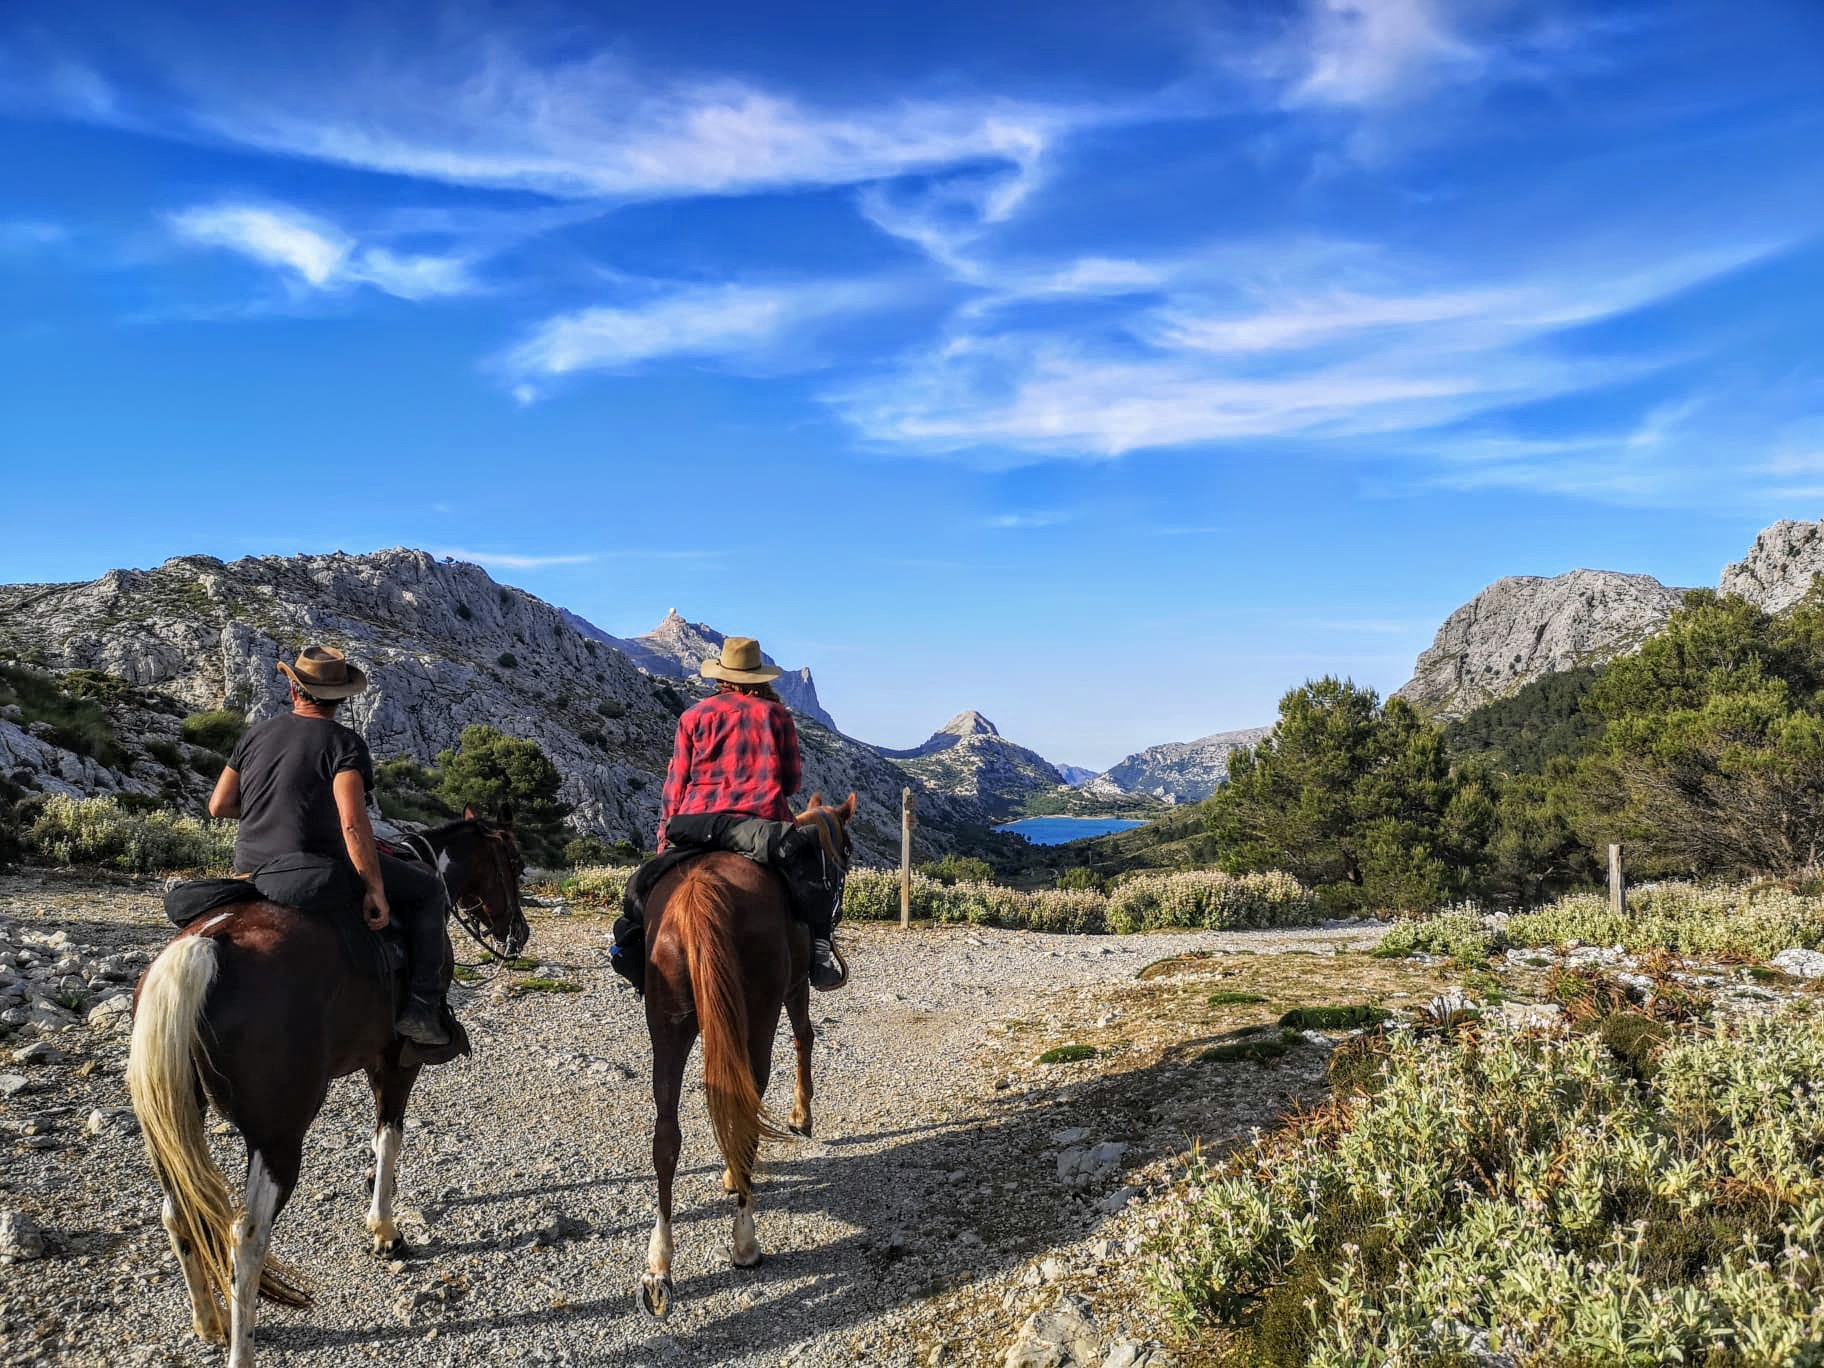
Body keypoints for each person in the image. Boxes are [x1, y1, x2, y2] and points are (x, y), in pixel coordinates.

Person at [207, 645, 453, 1047]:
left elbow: (219, 806)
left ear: (293, 691)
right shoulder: (344, 744)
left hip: (250, 868)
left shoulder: (255, 734)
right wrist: (374, 889)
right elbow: (353, 824)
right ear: (341, 699)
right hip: (311, 866)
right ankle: (422, 1008)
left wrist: (273, 812)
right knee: (428, 889)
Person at [610, 636, 845, 994]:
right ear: (759, 677)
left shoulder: (692, 716)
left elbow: (675, 785)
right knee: (814, 868)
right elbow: (792, 783)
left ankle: (631, 950)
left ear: (721, 676)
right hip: (758, 828)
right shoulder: (776, 715)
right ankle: (821, 953)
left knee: (640, 888)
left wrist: (664, 843)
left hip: (693, 826)